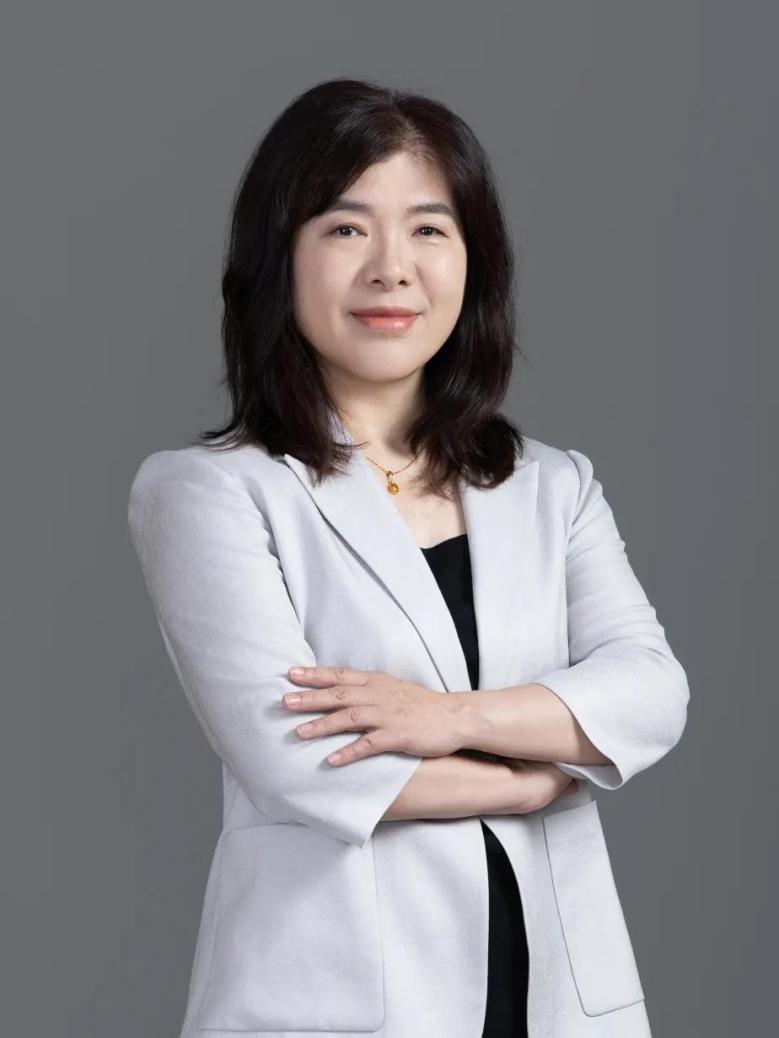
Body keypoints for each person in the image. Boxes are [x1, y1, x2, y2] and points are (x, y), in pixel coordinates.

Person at [127, 77, 690, 1038]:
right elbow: (302, 766)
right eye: (345, 229)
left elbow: (650, 693)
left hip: (562, 1000)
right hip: (339, 1004)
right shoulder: (209, 492)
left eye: (428, 229)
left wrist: (443, 720)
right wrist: (540, 774)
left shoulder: (552, 484)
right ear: (277, 259)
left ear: (474, 262)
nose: (392, 269)